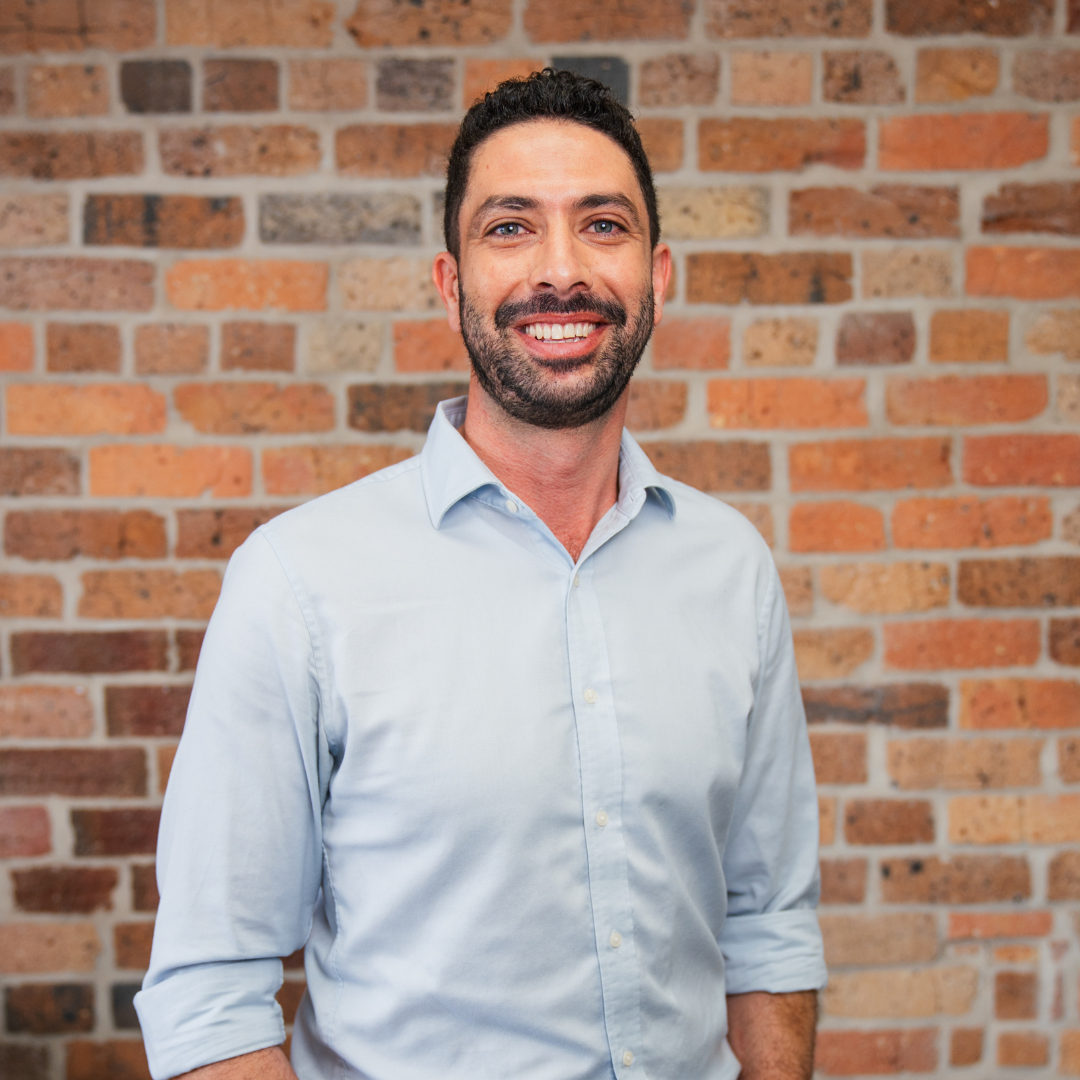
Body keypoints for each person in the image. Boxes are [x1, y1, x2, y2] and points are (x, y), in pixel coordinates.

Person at [135, 69, 826, 1080]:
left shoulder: (731, 569)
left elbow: (767, 923)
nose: (561, 270)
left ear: (657, 275)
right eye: (511, 228)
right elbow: (209, 994)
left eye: (602, 225)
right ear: (451, 281)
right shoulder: (297, 584)